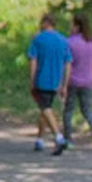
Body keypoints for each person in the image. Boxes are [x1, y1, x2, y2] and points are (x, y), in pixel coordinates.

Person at [27, 12, 73, 155]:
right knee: (44, 109)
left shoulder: (38, 40)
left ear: (46, 23)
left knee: (45, 108)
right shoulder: (63, 41)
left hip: (42, 79)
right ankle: (39, 139)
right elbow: (68, 63)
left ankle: (58, 137)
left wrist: (32, 79)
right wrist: (65, 84)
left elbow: (33, 61)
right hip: (56, 80)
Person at [63, 10, 92, 148]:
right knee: (87, 109)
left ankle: (68, 139)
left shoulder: (69, 43)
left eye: (71, 24)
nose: (70, 27)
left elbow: (66, 63)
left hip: (73, 81)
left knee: (68, 110)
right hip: (89, 81)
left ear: (77, 26)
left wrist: (63, 83)